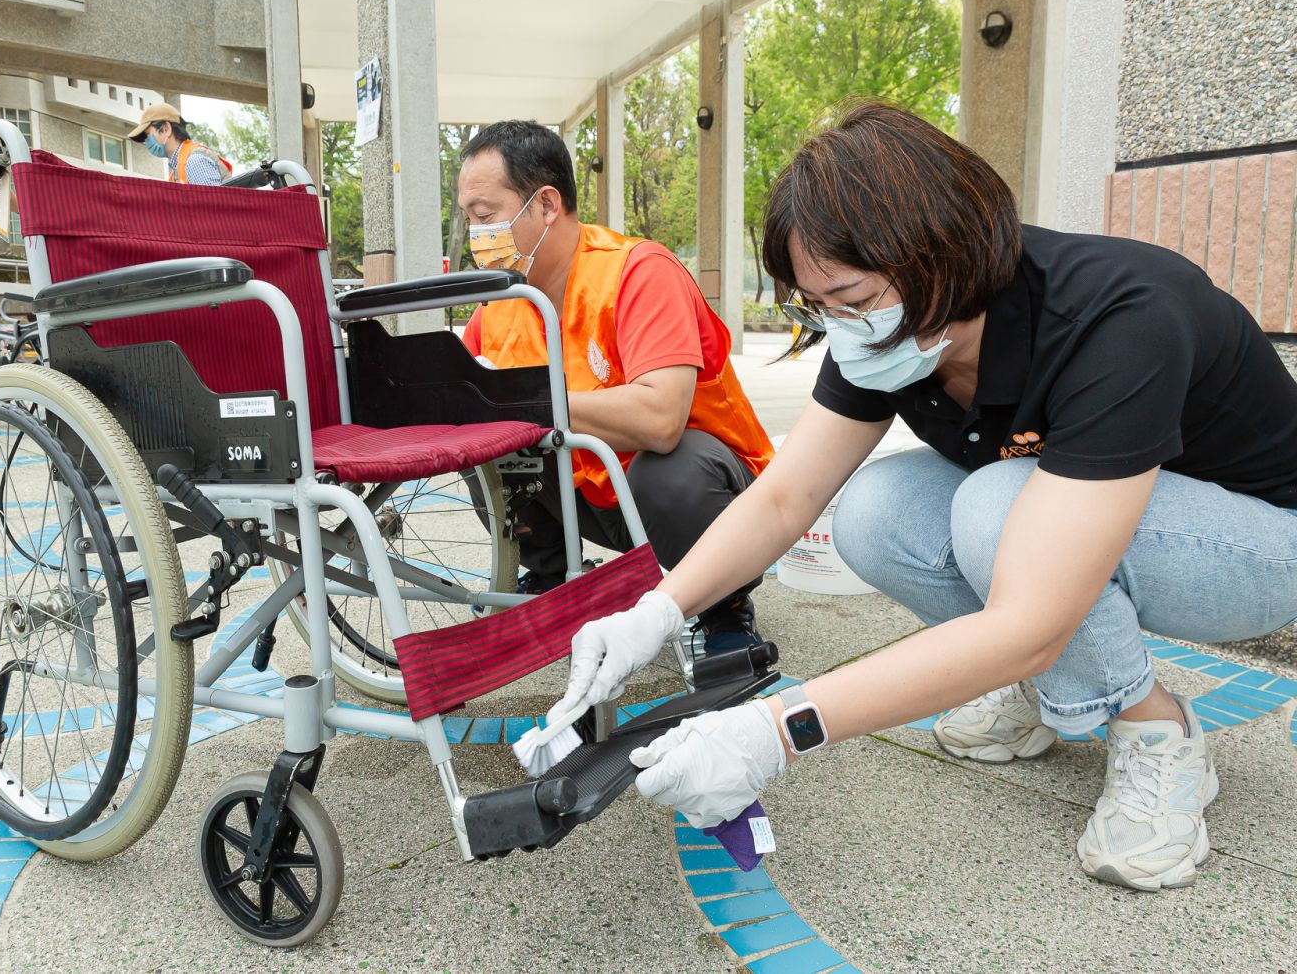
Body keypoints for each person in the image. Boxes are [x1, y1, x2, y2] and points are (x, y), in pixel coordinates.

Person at [552, 101, 1297, 893]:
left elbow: (1032, 623)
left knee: (996, 508)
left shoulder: (1119, 317)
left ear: (939, 255)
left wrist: (774, 730)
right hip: (1100, 517)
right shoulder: (885, 327)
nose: (836, 325)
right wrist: (656, 613)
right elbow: (784, 499)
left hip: (1256, 546)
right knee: (877, 513)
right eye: (817, 304)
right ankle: (1047, 694)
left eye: (849, 296)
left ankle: (1156, 727)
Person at [456, 120, 775, 652]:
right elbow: (462, 392)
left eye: (485, 216)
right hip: (597, 494)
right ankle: (548, 577)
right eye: (469, 219)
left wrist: (529, 403)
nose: (476, 235)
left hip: (701, 494)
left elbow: (661, 420)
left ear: (547, 204)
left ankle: (725, 603)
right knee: (481, 444)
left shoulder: (638, 272)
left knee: (672, 471)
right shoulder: (501, 305)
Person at [126, 102, 232, 186]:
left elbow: (213, 208)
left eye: (148, 135)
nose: (147, 141)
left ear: (166, 129)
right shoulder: (177, 171)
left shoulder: (194, 161)